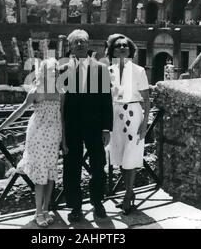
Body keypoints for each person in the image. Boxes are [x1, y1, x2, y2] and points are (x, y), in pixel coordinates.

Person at [0, 58, 65, 228]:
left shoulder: (61, 91)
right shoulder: (35, 91)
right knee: (40, 177)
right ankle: (38, 212)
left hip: (54, 136)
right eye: (50, 69)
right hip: (37, 137)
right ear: (43, 72)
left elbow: (62, 118)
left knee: (50, 176)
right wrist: (1, 126)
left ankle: (46, 209)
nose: (54, 72)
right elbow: (20, 111)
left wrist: (64, 140)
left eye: (56, 69)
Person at [62, 29, 113, 222]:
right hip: (72, 126)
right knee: (71, 165)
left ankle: (97, 202)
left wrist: (107, 127)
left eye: (83, 41)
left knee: (98, 165)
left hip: (95, 125)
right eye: (76, 42)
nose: (80, 45)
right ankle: (75, 206)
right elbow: (60, 102)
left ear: (88, 44)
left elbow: (106, 99)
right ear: (71, 47)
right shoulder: (62, 70)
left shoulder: (100, 68)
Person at [106, 34, 150, 215]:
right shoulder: (109, 71)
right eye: (118, 46)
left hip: (133, 116)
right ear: (112, 51)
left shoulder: (139, 71)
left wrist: (145, 123)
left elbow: (147, 99)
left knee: (131, 156)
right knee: (121, 157)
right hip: (115, 116)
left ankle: (127, 196)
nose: (122, 48)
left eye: (125, 45)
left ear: (130, 50)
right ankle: (129, 192)